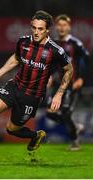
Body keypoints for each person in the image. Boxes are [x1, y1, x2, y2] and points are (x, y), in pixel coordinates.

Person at [0, 10, 73, 163]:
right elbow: (16, 58)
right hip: (14, 86)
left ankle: (35, 135)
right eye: (34, 28)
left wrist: (59, 93)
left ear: (47, 30)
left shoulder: (56, 50)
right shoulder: (23, 42)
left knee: (11, 129)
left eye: (40, 29)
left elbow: (69, 70)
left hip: (31, 96)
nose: (36, 32)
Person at [46, 14, 88, 150]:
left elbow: (87, 61)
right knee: (50, 113)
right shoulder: (53, 44)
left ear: (69, 27)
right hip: (58, 85)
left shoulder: (76, 44)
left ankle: (75, 143)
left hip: (72, 84)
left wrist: (82, 77)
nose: (62, 27)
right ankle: (76, 127)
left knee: (65, 112)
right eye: (59, 25)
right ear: (56, 27)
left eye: (64, 25)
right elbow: (52, 65)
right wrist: (50, 76)